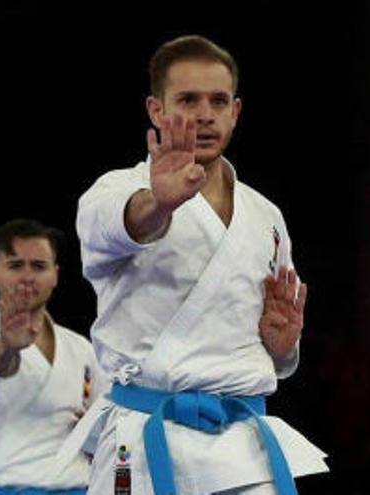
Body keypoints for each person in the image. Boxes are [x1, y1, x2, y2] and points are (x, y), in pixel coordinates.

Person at [68, 35, 329, 495]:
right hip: (146, 438)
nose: (205, 114)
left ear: (236, 112)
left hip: (242, 447)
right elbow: (121, 226)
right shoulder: (115, 190)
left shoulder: (265, 215)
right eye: (187, 99)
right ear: (155, 110)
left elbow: (276, 357)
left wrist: (283, 345)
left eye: (218, 100)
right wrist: (158, 204)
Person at [0, 219, 110, 495]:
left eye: (39, 266)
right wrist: (7, 348)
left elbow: (106, 426)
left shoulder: (81, 348)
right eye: (16, 265)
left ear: (55, 275)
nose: (28, 276)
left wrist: (91, 430)